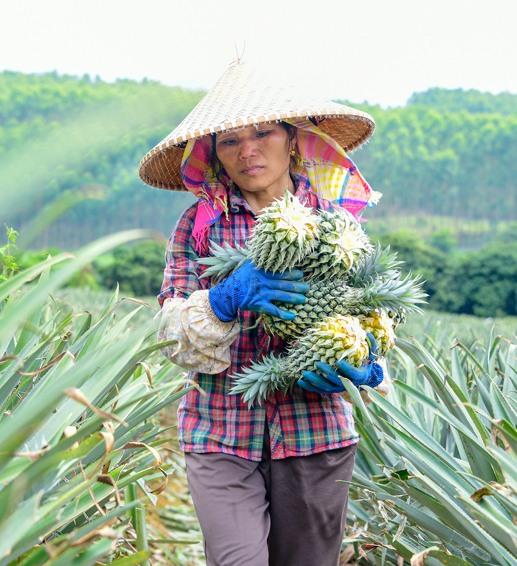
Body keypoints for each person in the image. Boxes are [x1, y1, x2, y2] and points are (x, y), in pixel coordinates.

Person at [139, 62, 390, 566]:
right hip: (219, 430)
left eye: (263, 133)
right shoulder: (198, 225)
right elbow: (167, 335)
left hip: (316, 433)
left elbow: (375, 324)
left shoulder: (338, 226)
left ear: (294, 139)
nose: (248, 150)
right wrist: (222, 299)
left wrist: (369, 369)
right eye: (229, 141)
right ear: (214, 154)